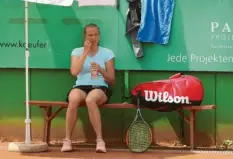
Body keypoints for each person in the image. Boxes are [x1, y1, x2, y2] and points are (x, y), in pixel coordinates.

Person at [61, 23, 115, 153]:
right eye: (90, 35)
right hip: (80, 86)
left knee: (90, 99)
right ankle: (67, 140)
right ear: (85, 36)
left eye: (96, 34)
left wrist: (101, 69)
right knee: (73, 98)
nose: (93, 37)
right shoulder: (77, 52)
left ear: (99, 36)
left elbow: (112, 80)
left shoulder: (107, 53)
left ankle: (100, 140)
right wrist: (85, 52)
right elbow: (74, 72)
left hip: (99, 87)